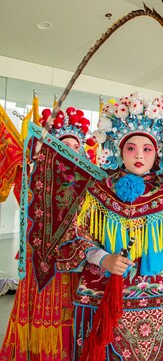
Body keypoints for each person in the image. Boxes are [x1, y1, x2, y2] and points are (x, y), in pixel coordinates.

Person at [55, 94, 163, 359]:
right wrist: (103, 258)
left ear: (158, 153)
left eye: (147, 149)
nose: (139, 155)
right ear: (119, 151)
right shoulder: (98, 193)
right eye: (131, 148)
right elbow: (78, 236)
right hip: (105, 294)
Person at [1, 106, 90, 360]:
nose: (70, 152)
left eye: (75, 147)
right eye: (64, 146)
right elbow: (24, 200)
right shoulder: (36, 177)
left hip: (73, 258)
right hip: (37, 254)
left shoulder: (89, 183)